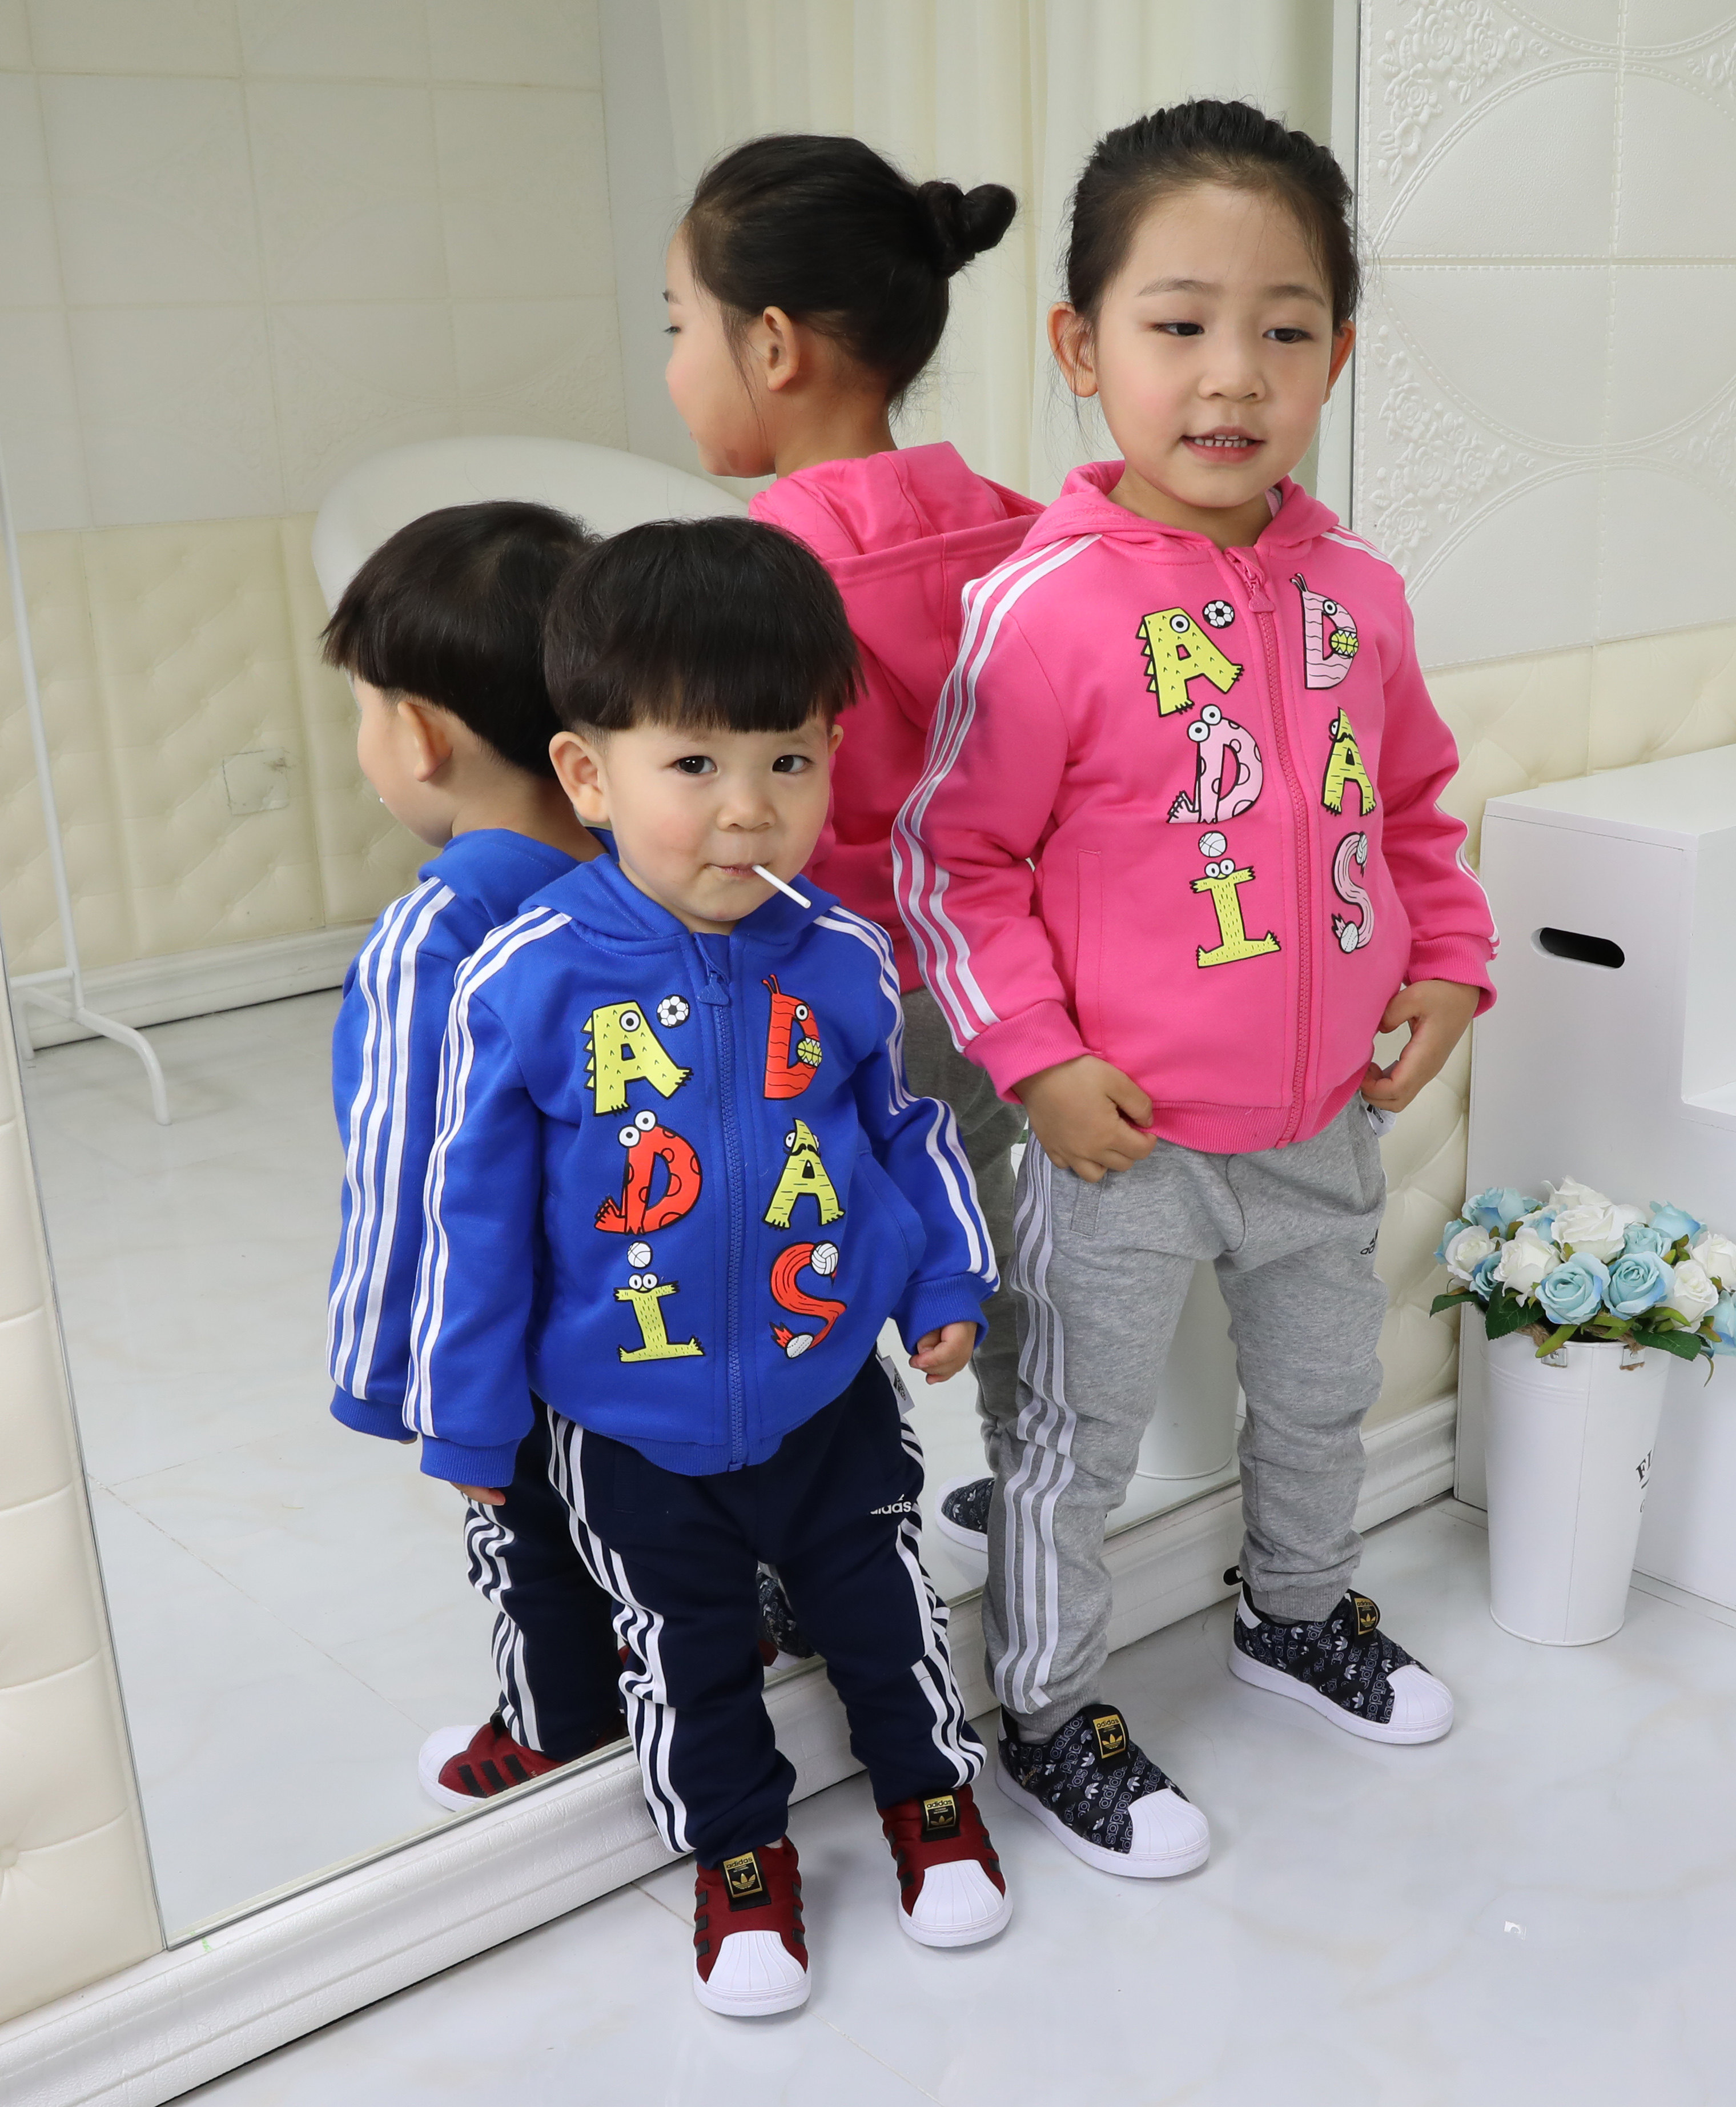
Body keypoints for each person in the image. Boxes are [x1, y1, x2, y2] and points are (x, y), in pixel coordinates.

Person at [895, 99, 1498, 1880]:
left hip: (1321, 1122)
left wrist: (1449, 958)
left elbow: (1411, 809)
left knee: (1320, 1400)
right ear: (1082, 348)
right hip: (1120, 1143)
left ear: (1337, 356)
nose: (1233, 374)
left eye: (1284, 329)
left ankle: (1295, 1613)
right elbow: (953, 864)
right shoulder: (1044, 610)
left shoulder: (1361, 596)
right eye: (1179, 324)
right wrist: (1036, 1062)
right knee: (1070, 1444)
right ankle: (1046, 1707)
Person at [405, 517, 1010, 2016]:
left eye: (788, 759)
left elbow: (906, 1130)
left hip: (828, 1390)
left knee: (884, 1612)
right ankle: (739, 1858)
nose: (749, 810)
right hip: (629, 1426)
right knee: (684, 1661)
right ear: (588, 774)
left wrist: (940, 1282)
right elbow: (472, 1220)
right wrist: (470, 1424)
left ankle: (931, 1797)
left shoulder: (842, 954)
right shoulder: (526, 977)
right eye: (694, 764)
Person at [662, 135, 1038, 1472]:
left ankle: (810, 1521)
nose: (672, 366)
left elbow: (727, 818)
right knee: (989, 1225)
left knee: (790, 1250)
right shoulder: (1023, 527)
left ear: (772, 346)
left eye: (676, 327)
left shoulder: (756, 579)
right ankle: (1033, 1478)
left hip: (841, 994)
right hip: (1012, 983)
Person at [322, 501, 631, 1809]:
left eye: (361, 713)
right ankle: (707, 1642)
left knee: (530, 1538)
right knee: (672, 1504)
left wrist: (389, 1368)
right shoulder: (660, 875)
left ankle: (557, 1731)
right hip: (667, 1306)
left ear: (420, 736)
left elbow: (406, 1173)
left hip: (516, 1334)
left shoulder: (436, 935)